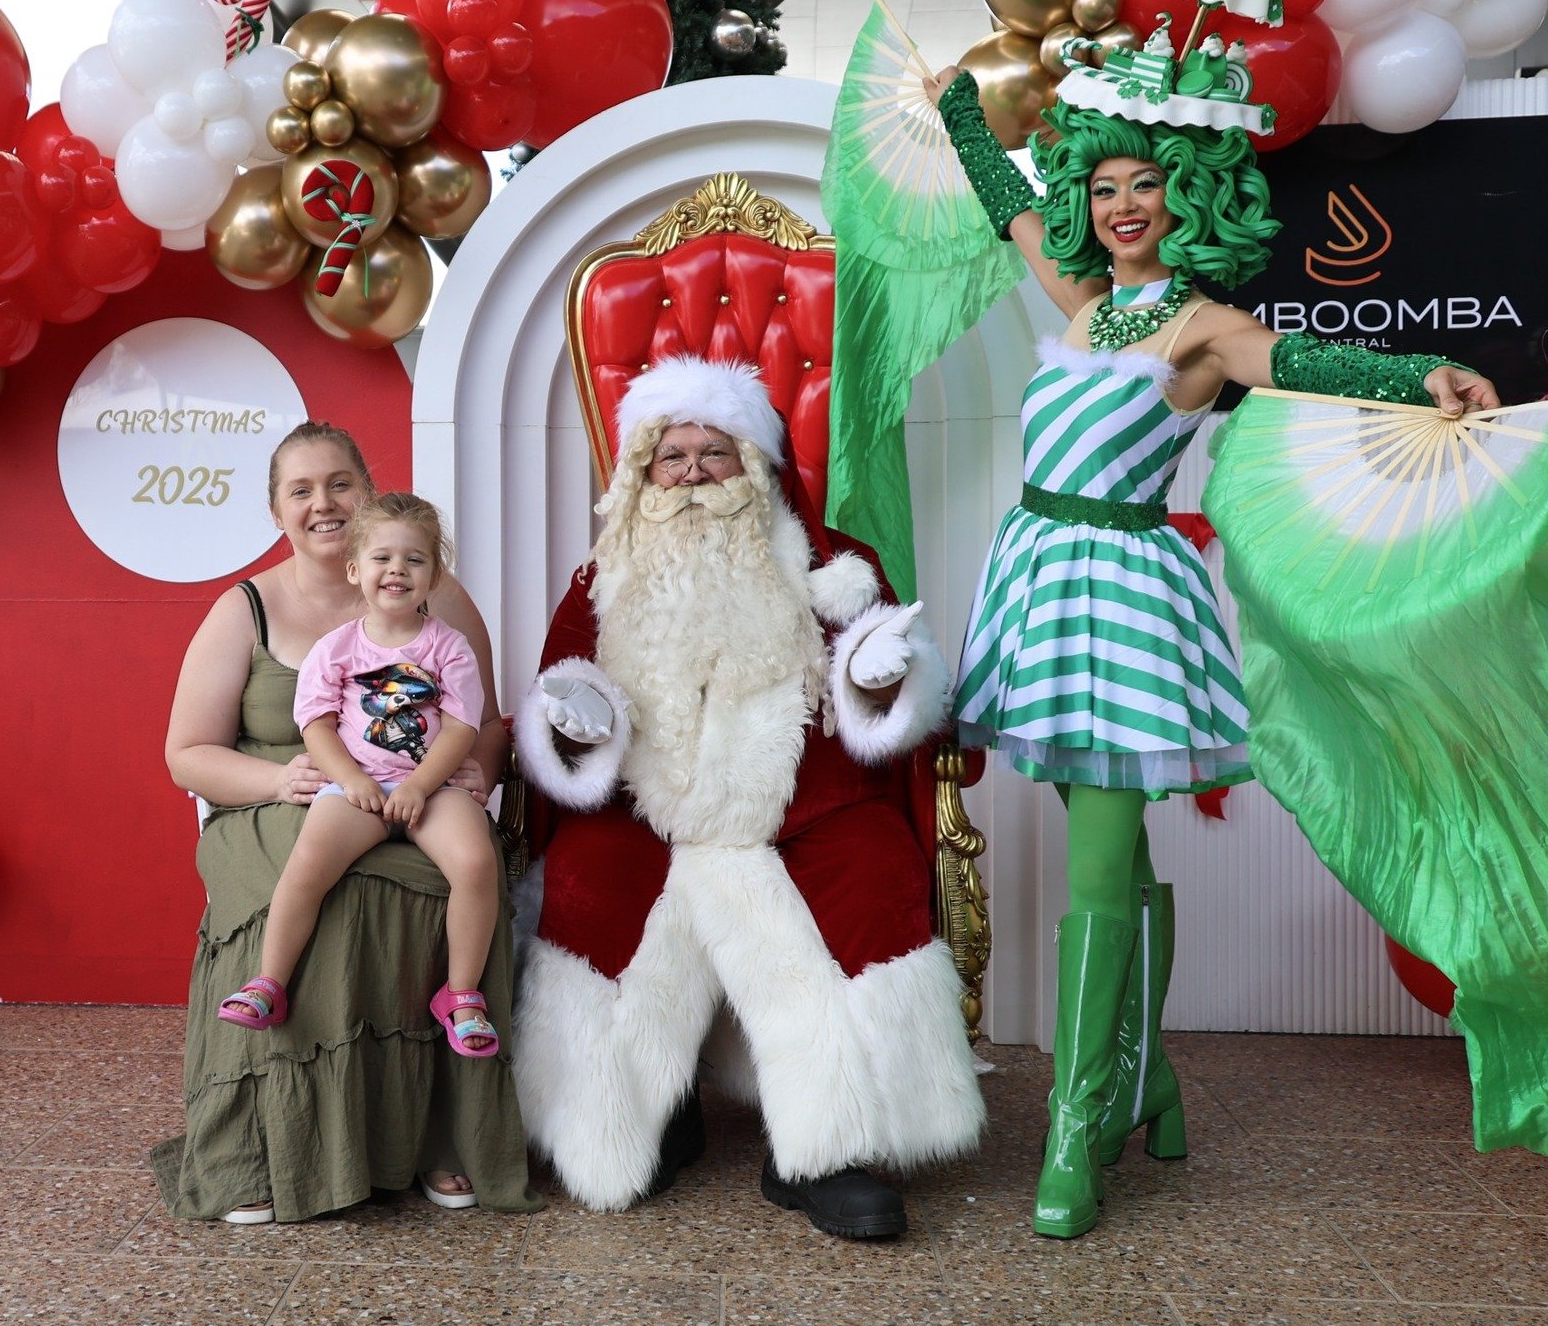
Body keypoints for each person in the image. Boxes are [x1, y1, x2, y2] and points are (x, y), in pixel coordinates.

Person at [923, 56, 1500, 1239]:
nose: (1120, 207)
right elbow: (1010, 206)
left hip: (1122, 594)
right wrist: (951, 111)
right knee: (1111, 850)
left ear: (1190, 198)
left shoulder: (1201, 327)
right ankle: (1148, 1082)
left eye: (1147, 186)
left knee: (1095, 862)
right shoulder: (1083, 302)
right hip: (1039, 578)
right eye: (1106, 189)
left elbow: (1296, 365)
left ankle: (1081, 1121)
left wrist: (1414, 374)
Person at [512, 357, 985, 1239]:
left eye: (713, 454)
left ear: (756, 465)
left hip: (805, 807)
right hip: (643, 811)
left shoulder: (837, 564)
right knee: (587, 877)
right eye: (670, 457)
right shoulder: (602, 576)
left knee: (869, 873)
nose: (691, 474)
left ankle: (830, 1148)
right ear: (642, 473)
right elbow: (564, 692)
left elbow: (879, 691)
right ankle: (633, 1120)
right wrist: (577, 720)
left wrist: (878, 679)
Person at [153, 421, 541, 1224]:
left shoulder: (436, 595)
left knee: (445, 879)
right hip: (278, 798)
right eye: (301, 490)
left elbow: (486, 720)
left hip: (420, 794)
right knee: (324, 887)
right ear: (276, 510)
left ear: (369, 495)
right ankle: (258, 1149)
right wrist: (277, 777)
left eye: (340, 483)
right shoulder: (245, 609)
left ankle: (440, 1137)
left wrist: (479, 766)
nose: (323, 503)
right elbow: (187, 752)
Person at [217, 491, 504, 1074]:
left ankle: (462, 994)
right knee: (308, 863)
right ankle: (269, 981)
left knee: (475, 864)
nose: (396, 569)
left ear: (434, 575)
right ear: (355, 570)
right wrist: (350, 781)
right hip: (359, 787)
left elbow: (459, 730)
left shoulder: (450, 648)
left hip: (433, 788)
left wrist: (421, 786)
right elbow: (316, 726)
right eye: (381, 558)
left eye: (414, 560)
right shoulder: (336, 649)